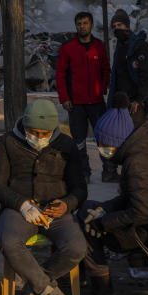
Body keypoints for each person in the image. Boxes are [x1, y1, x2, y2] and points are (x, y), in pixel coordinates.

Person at [0, 99, 87, 295]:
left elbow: (80, 188)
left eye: (45, 133)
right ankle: (50, 293)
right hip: (19, 210)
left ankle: (31, 289)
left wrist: (66, 204)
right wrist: (20, 204)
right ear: (25, 126)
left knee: (77, 247)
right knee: (9, 242)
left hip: (56, 211)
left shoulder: (66, 145)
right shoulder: (8, 143)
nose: (40, 138)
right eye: (34, 132)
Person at [81, 98, 148, 295]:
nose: (100, 149)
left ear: (116, 142)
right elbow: (130, 197)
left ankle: (103, 291)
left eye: (103, 144)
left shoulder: (137, 163)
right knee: (89, 209)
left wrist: (103, 224)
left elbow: (140, 211)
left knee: (86, 223)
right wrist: (104, 209)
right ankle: (93, 281)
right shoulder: (143, 150)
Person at [55, 11, 109, 179]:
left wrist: (103, 89)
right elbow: (60, 75)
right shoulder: (67, 48)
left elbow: (106, 70)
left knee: (104, 138)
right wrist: (64, 98)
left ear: (91, 25)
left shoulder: (99, 47)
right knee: (79, 141)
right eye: (79, 23)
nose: (82, 26)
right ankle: (84, 172)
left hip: (96, 102)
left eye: (85, 23)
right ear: (76, 26)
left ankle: (109, 171)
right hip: (75, 103)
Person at [107, 10, 148, 113]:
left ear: (127, 26)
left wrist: (140, 99)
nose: (117, 28)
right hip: (122, 101)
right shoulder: (119, 47)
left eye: (120, 25)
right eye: (114, 26)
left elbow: (147, 75)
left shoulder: (139, 46)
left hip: (136, 103)